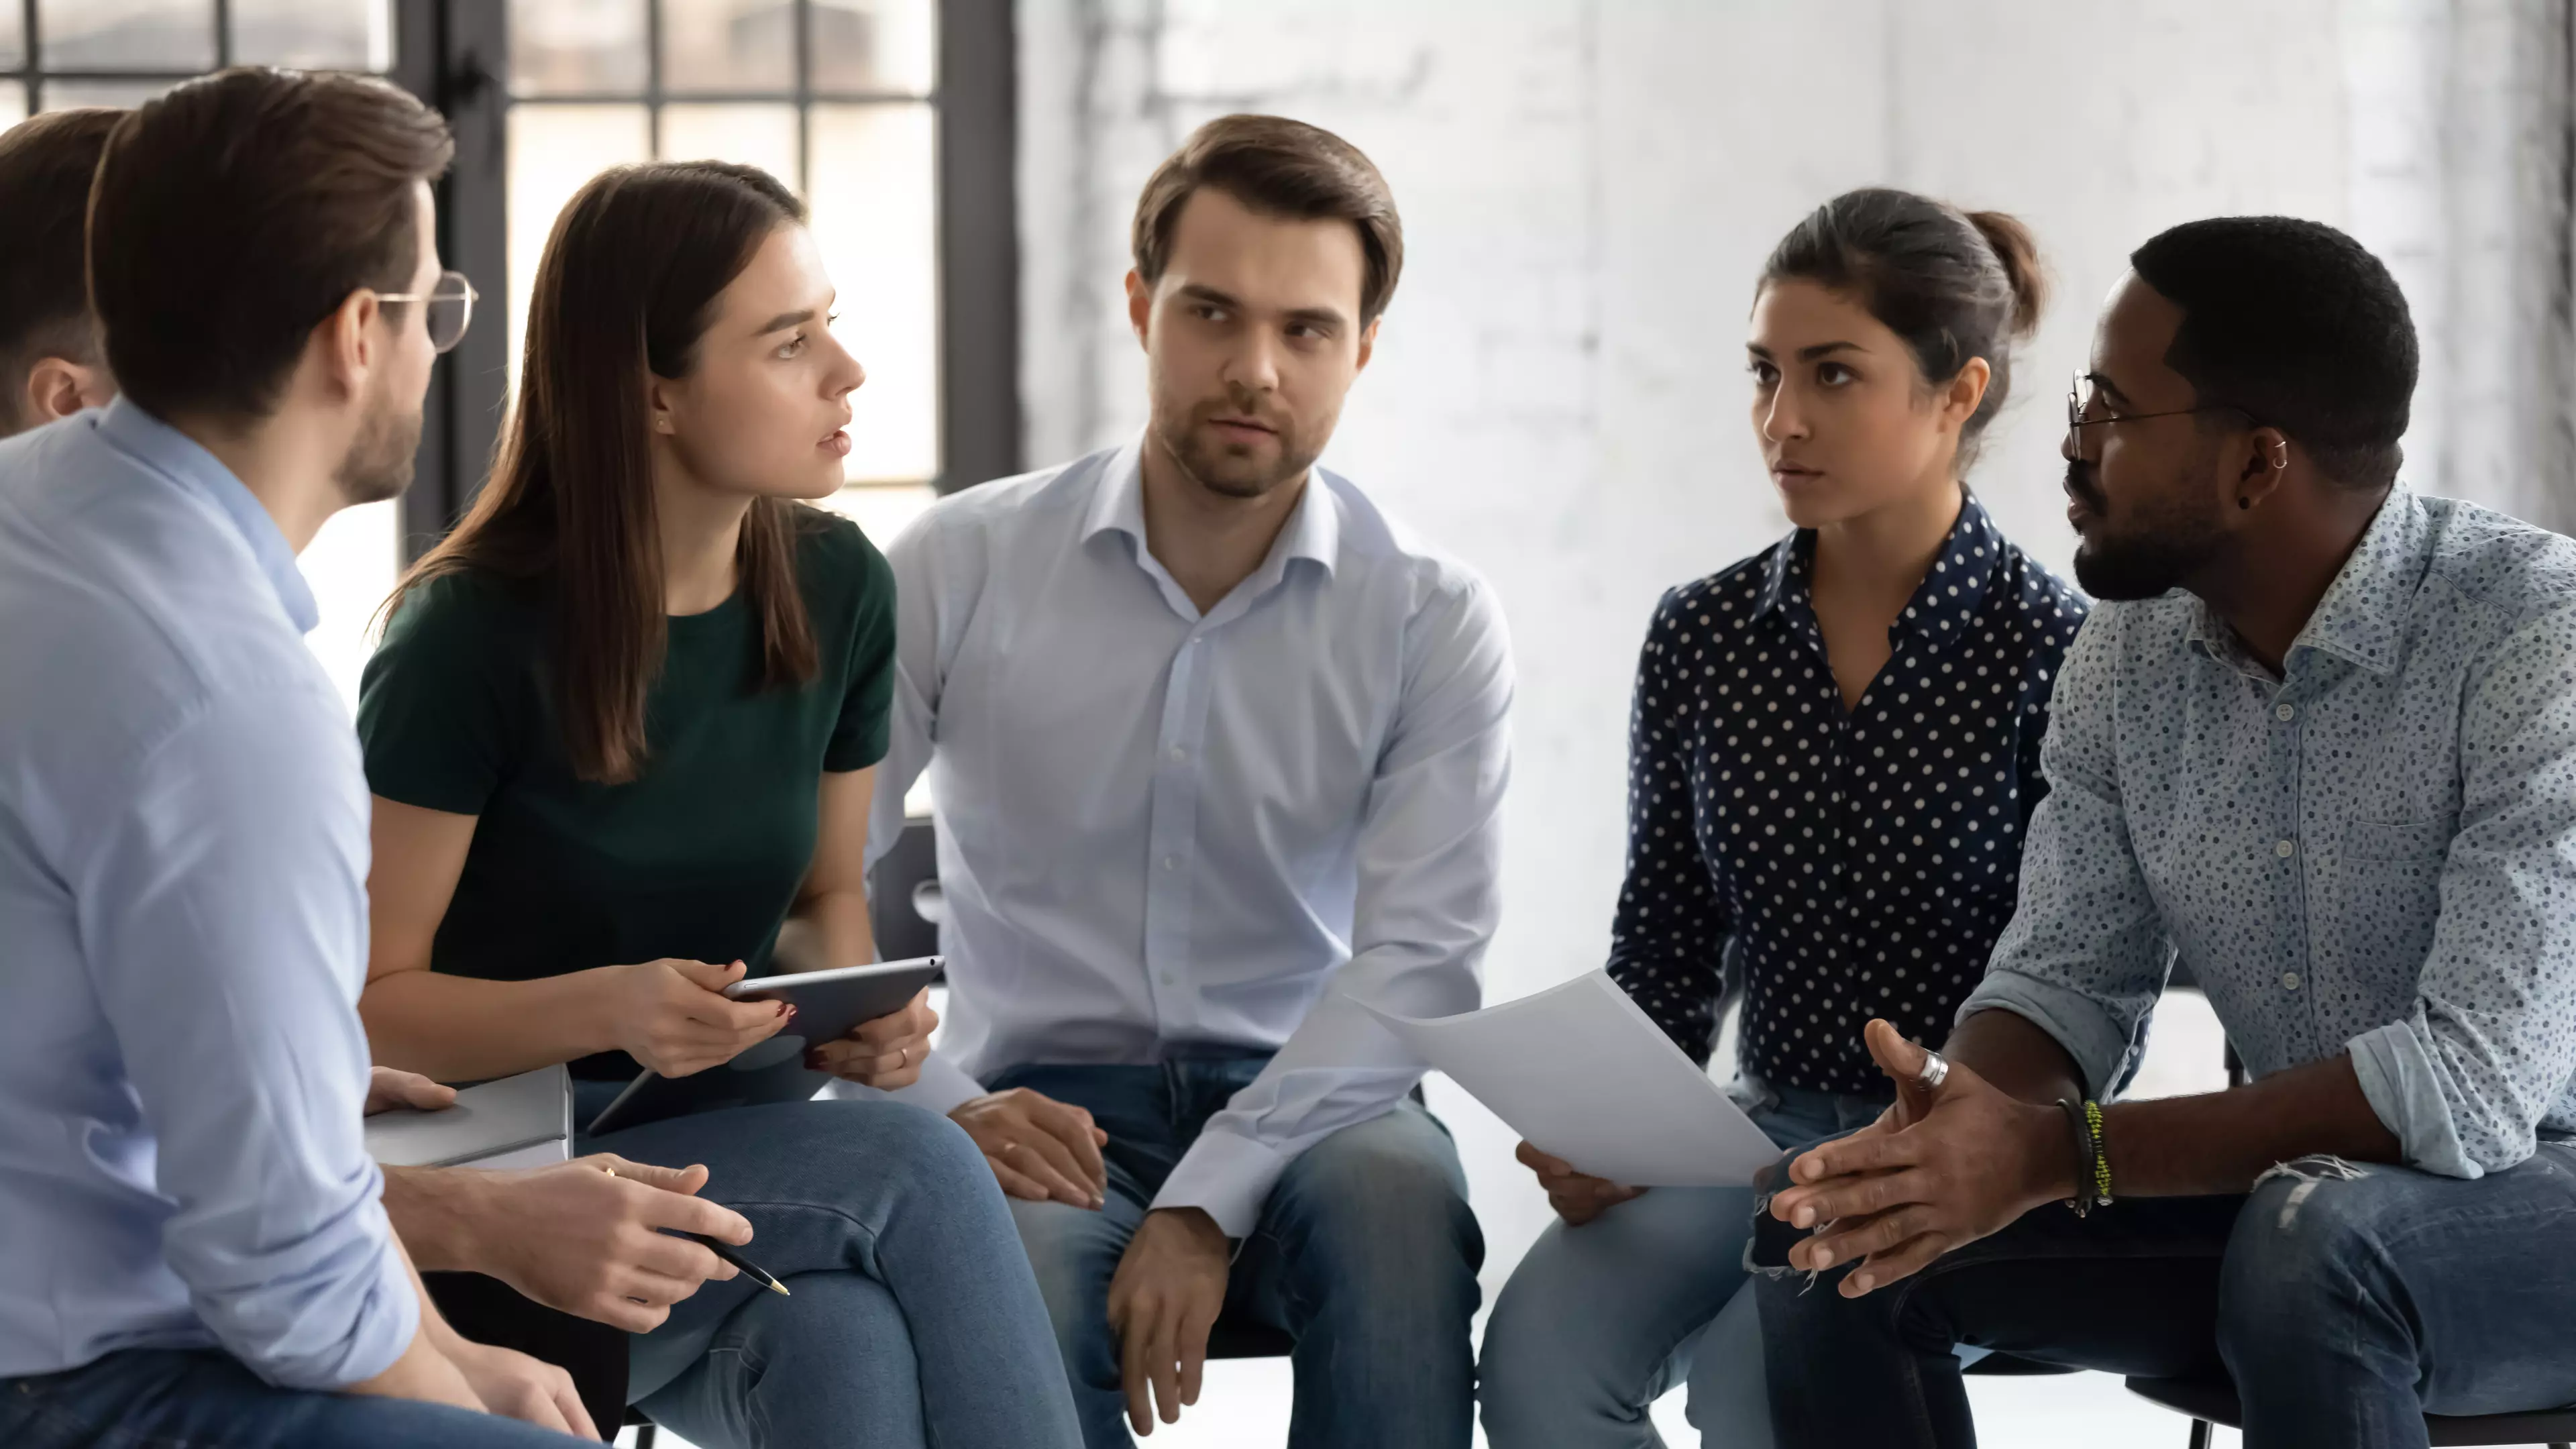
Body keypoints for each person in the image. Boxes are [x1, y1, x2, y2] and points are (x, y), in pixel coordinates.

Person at [1753, 216, 2576, 1448]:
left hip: (2533, 1199)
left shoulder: (2533, 634)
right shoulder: (2125, 659)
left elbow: (2468, 1088)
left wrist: (2054, 1156)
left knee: (2318, 1238)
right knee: (1837, 1231)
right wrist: (1969, 1126)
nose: (2072, 446)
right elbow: (2064, 976)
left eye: (2113, 411)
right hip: (2301, 1223)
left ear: (2259, 465)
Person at [0, 107, 759, 1433]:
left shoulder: (38, 514)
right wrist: (471, 1395)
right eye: (432, 305)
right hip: (79, 1374)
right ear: (358, 337)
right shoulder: (223, 695)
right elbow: (284, 1268)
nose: (436, 342)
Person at [354, 158, 1082, 1449]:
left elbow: (820, 901)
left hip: (738, 1153)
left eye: (831, 325)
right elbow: (366, 1010)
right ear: (655, 394)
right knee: (919, 1167)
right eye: (791, 343)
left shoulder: (838, 584)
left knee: (842, 1343)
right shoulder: (464, 637)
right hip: (514, 1193)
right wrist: (610, 1007)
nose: (847, 373)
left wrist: (865, 1021)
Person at [867, 113, 1510, 1448]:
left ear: (1363, 349)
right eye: (1212, 313)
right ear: (1139, 306)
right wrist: (948, 1109)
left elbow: (1419, 964)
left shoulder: (1428, 614)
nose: (1255, 369)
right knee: (1017, 1276)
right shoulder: (959, 565)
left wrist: (1207, 1196)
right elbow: (811, 879)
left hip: (1320, 1093)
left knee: (1396, 1205)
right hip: (1036, 1098)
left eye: (1308, 330)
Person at [1477, 189, 2088, 1448]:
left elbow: (2092, 983)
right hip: (1744, 1137)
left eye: (1833, 376)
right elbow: (1665, 943)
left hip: (1949, 1163)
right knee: (1534, 1368)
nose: (1781, 420)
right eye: (1765, 373)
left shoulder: (2061, 656)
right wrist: (1609, 1127)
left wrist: (1968, 1139)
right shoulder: (1701, 635)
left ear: (1956, 394)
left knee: (1760, 1393)